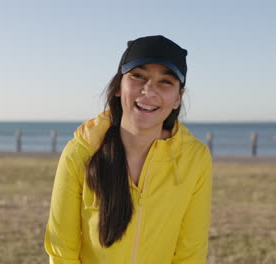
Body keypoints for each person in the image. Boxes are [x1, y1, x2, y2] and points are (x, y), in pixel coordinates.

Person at [44, 35, 212, 263]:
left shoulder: (195, 159)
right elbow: (62, 252)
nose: (149, 90)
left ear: (177, 98)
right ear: (117, 87)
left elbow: (190, 253)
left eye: (166, 81)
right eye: (138, 76)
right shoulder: (80, 153)